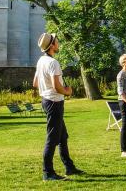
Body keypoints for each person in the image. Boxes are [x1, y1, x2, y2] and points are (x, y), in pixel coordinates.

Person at [33, 32, 84, 181]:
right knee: (52, 138)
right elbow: (57, 87)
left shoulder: (41, 61)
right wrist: (67, 91)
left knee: (62, 136)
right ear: (52, 45)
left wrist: (46, 88)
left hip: (47, 101)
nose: (58, 42)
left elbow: (35, 83)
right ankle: (47, 173)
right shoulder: (53, 63)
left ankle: (69, 167)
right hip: (54, 102)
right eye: (56, 40)